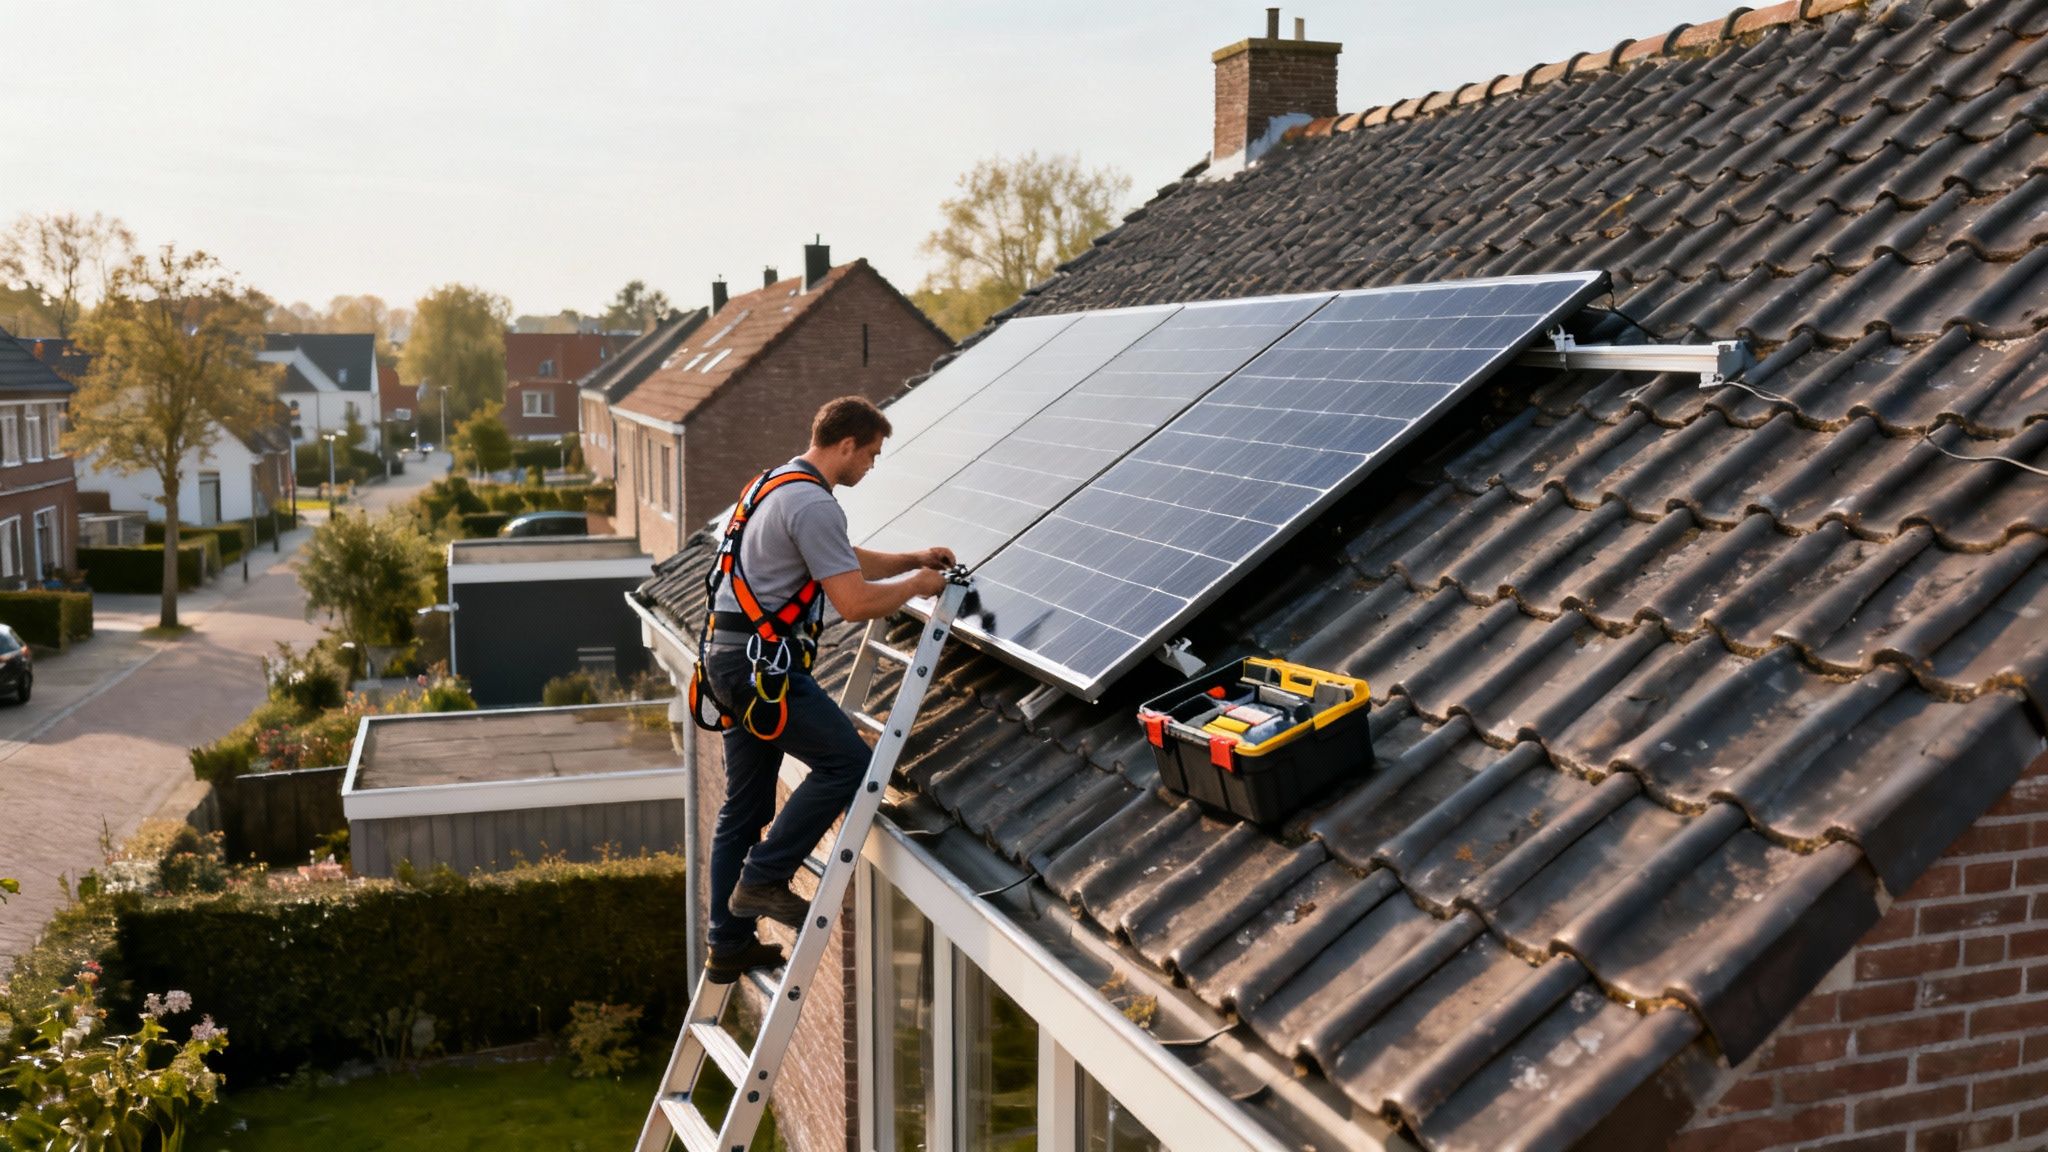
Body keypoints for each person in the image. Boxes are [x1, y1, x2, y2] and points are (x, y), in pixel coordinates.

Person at [696, 395, 954, 984]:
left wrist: (910, 559)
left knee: (745, 808)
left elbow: (839, 559)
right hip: (763, 672)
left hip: (728, 664)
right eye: (871, 454)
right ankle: (763, 878)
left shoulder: (775, 484)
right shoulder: (814, 504)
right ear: (847, 444)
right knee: (850, 764)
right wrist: (918, 584)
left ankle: (727, 944)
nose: (872, 466)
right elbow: (853, 602)